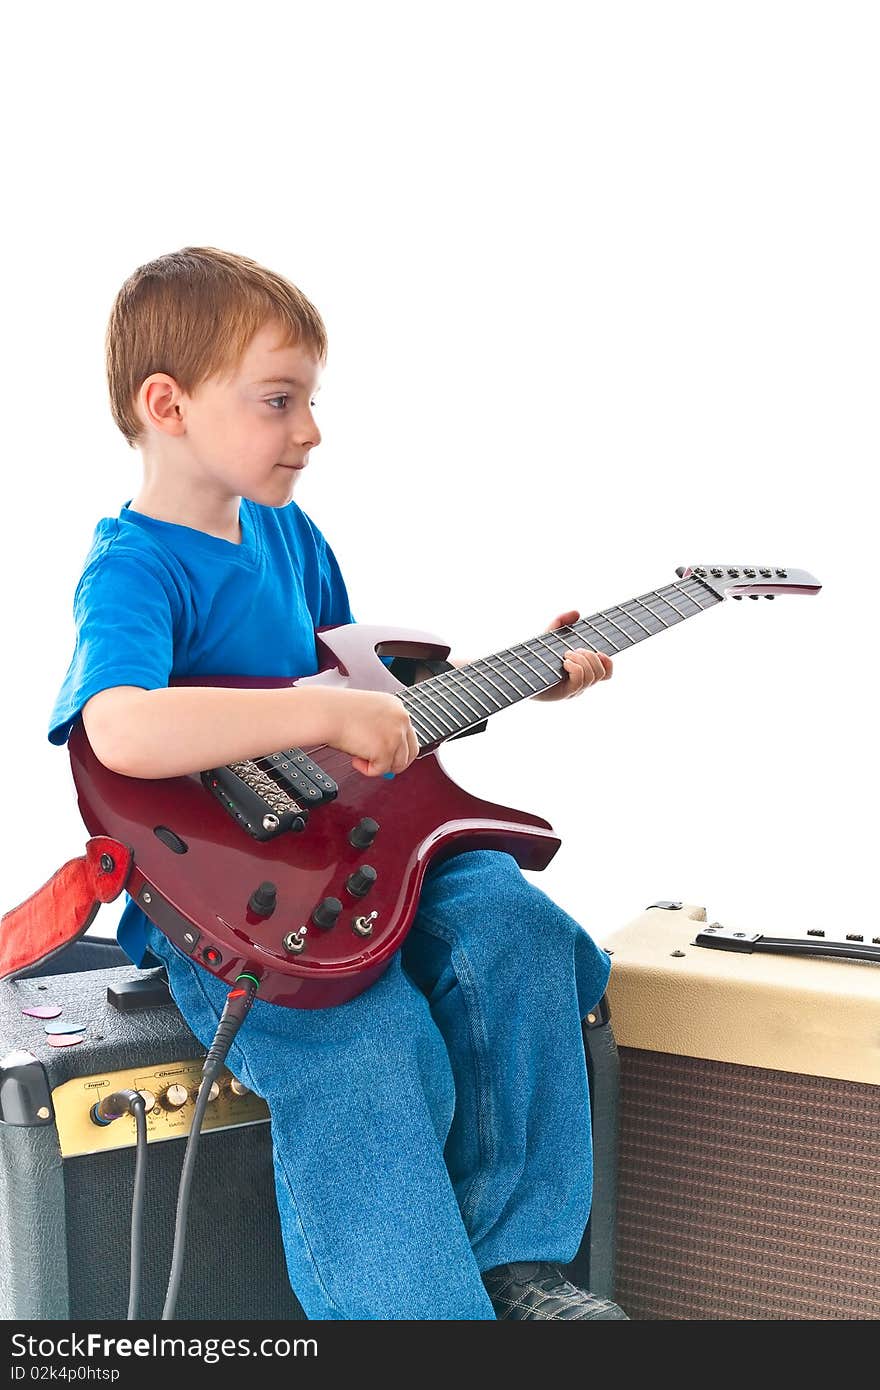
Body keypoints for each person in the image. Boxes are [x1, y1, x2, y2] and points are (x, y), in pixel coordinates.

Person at [48, 247, 627, 1321]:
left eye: (309, 400)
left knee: (518, 929)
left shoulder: (290, 536)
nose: (308, 430)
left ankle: (522, 1265)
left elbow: (363, 701)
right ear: (166, 404)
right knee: (365, 1048)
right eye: (278, 400)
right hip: (243, 906)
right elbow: (119, 726)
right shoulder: (132, 567)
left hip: (366, 849)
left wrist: (522, 678)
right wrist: (321, 712)